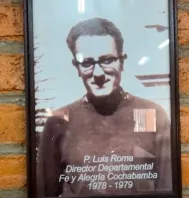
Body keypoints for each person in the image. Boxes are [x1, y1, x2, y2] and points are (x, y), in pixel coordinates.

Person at [36, 17, 172, 197]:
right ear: (76, 67)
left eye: (107, 60)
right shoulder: (58, 122)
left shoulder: (152, 115)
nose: (98, 73)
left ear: (122, 61)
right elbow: (43, 193)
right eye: (87, 63)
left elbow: (167, 188)